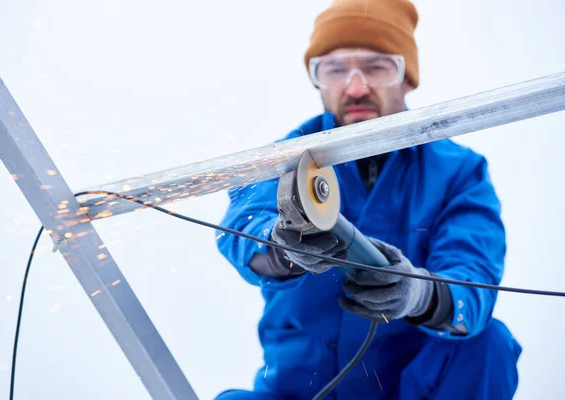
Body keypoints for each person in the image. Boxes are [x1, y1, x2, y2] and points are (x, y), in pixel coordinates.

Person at [215, 0, 522, 398]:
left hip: (411, 389)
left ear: (407, 77)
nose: (356, 86)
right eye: (336, 69)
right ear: (318, 80)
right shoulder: (283, 160)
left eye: (377, 67)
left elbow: (472, 282)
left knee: (488, 344)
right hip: (300, 391)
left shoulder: (458, 172)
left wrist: (419, 293)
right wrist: (281, 248)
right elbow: (240, 227)